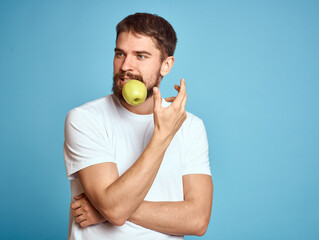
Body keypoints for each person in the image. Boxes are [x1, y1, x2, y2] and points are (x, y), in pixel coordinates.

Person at [63, 12, 213, 239]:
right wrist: (163, 135)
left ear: (166, 65)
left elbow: (198, 220)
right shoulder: (85, 119)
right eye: (120, 54)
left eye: (140, 56)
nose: (125, 66)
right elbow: (115, 209)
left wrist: (104, 209)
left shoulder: (190, 125)